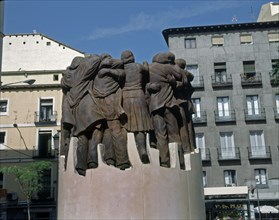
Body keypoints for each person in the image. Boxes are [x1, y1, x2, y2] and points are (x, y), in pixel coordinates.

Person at [61, 54, 105, 176]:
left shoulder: (67, 78)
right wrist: (89, 58)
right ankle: (93, 159)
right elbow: (96, 60)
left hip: (76, 112)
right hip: (88, 108)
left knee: (82, 137)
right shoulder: (82, 72)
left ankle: (81, 164)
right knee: (97, 131)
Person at [92, 54, 131, 170]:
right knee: (116, 131)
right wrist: (108, 67)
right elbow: (120, 64)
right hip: (110, 105)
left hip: (98, 106)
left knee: (105, 132)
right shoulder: (110, 74)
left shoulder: (96, 76)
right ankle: (122, 160)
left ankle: (109, 157)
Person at [147, 52, 182, 168]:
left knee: (160, 134)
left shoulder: (149, 68)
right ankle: (179, 161)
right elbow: (179, 74)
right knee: (174, 134)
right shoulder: (168, 67)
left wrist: (149, 86)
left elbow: (143, 84)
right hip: (169, 105)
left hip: (155, 105)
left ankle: (164, 161)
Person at [121, 50, 153, 164]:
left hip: (125, 97)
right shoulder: (138, 66)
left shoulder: (120, 69)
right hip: (139, 96)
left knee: (125, 126)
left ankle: (125, 155)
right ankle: (142, 149)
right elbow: (147, 70)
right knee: (140, 126)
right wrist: (145, 62)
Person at [175, 58, 196, 152]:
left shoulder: (181, 75)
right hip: (187, 104)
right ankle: (191, 146)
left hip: (182, 103)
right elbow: (191, 76)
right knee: (189, 126)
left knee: (183, 126)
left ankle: (187, 148)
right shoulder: (186, 76)